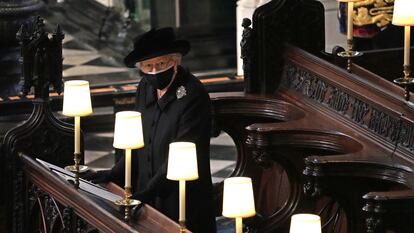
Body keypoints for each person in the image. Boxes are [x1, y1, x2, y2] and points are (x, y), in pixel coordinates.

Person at [85, 27, 217, 233]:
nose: (154, 71)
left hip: (180, 198)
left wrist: (147, 193)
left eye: (160, 64)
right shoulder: (145, 87)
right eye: (148, 66)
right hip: (146, 194)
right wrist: (113, 173)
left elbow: (181, 155)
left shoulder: (193, 95)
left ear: (175, 61)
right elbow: (137, 142)